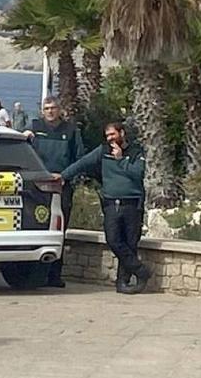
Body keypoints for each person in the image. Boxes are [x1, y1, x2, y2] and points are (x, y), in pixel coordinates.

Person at [59, 122, 151, 294]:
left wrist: (121, 160)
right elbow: (82, 163)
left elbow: (138, 173)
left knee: (130, 243)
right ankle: (141, 271)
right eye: (107, 136)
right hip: (111, 203)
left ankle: (122, 283)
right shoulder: (103, 151)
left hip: (132, 203)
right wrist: (63, 176)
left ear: (122, 133)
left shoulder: (136, 151)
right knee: (114, 240)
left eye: (112, 135)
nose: (110, 139)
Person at [28, 98, 84, 288]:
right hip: (36, 188)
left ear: (60, 110)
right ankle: (34, 275)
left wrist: (64, 176)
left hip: (62, 187)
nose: (50, 111)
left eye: (53, 108)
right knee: (36, 228)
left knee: (59, 230)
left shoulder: (71, 131)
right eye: (46, 108)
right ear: (42, 111)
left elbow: (80, 159)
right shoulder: (34, 128)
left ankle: (54, 275)